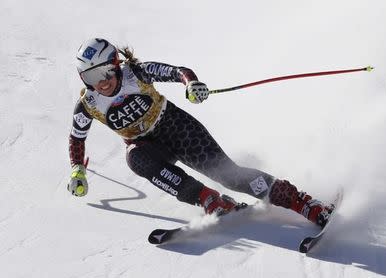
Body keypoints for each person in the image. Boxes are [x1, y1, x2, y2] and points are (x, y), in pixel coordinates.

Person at [67, 38, 333, 227]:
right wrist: (77, 170)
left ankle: (304, 204)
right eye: (89, 77)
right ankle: (209, 199)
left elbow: (176, 72)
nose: (100, 83)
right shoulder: (89, 104)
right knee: (135, 158)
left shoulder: (135, 74)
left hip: (174, 126)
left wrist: (191, 84)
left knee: (229, 175)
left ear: (115, 64)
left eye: (103, 72)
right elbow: (77, 136)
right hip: (148, 146)